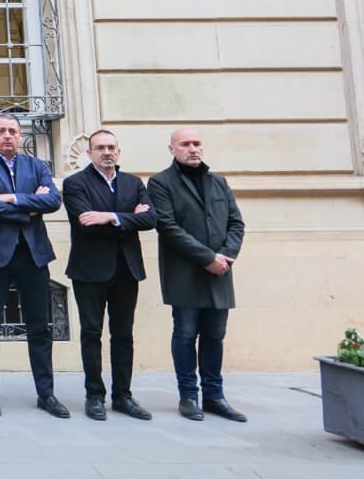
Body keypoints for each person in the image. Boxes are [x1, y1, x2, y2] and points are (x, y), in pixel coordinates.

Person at [0, 113, 68, 419]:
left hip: (33, 255)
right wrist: (29, 206)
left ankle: (46, 394)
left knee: (40, 327)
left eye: (12, 130)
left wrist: (10, 198)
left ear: (20, 135)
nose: (7, 135)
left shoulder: (36, 166)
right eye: (2, 130)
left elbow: (53, 201)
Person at [148, 127, 247, 422]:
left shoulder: (219, 182)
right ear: (172, 149)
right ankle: (188, 395)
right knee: (186, 334)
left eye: (196, 143)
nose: (192, 148)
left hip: (220, 273)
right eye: (185, 144)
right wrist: (207, 258)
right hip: (184, 274)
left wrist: (226, 256)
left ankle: (214, 396)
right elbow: (168, 227)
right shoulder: (160, 183)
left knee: (215, 335)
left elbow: (236, 224)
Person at [63, 129, 157, 421]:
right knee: (91, 333)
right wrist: (129, 219)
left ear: (119, 151)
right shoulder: (75, 183)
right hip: (89, 270)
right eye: (100, 148)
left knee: (123, 335)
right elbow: (85, 224)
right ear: (89, 153)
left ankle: (123, 396)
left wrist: (109, 216)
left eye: (111, 147)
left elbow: (150, 219)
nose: (107, 152)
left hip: (126, 269)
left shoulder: (133, 183)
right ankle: (94, 395)